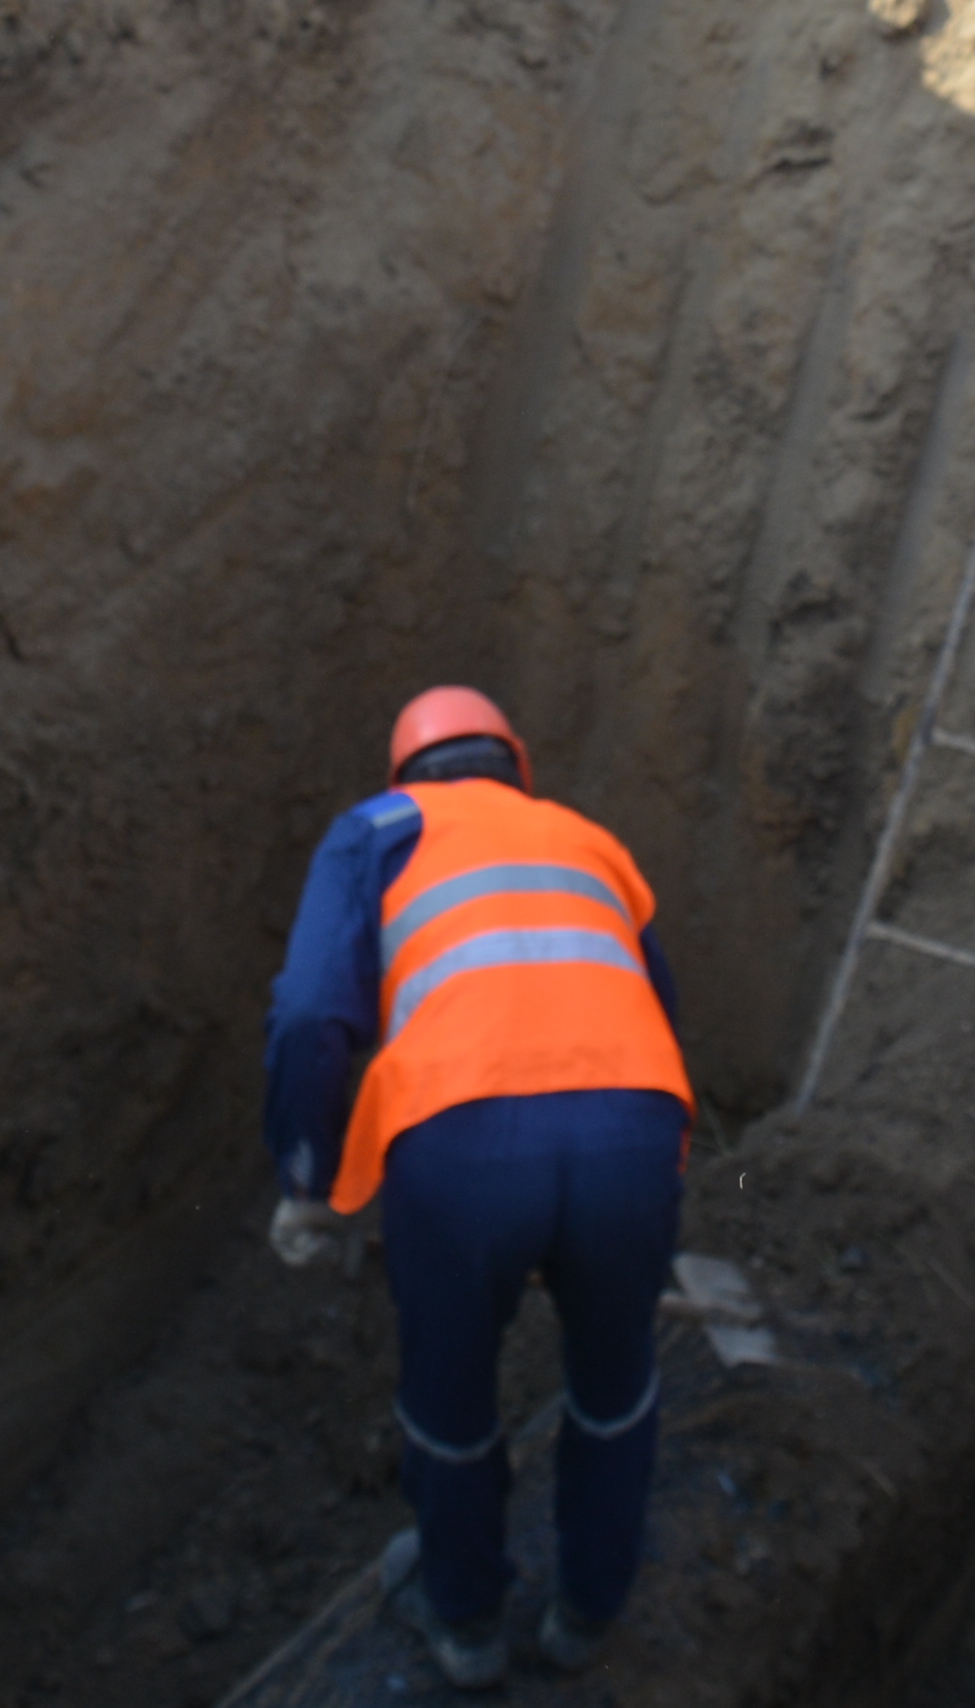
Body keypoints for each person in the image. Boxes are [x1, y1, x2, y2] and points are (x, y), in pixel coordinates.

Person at [262, 686, 694, 1695]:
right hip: (633, 1123)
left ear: (401, 777)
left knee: (449, 1391)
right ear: (517, 765)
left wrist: (305, 1177)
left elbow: (305, 1018)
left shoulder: (373, 833)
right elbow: (658, 1000)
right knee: (613, 1379)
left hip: (459, 1141)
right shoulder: (585, 838)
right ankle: (588, 1608)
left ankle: (464, 1623)